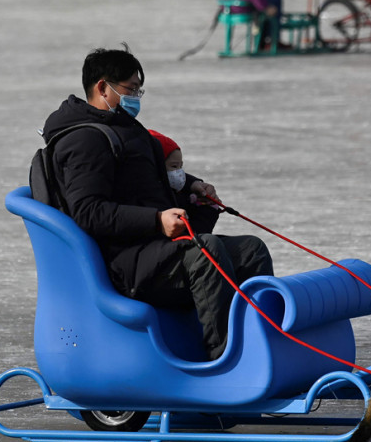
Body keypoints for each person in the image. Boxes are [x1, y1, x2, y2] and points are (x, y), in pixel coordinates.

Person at [42, 46, 274, 360]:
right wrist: (156, 220)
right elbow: (88, 212)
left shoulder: (123, 128)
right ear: (102, 87)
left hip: (154, 251)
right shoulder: (85, 141)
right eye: (130, 89)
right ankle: (224, 361)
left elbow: (148, 174)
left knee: (250, 249)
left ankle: (262, 345)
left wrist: (191, 185)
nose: (136, 96)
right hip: (126, 261)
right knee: (207, 253)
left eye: (139, 89)